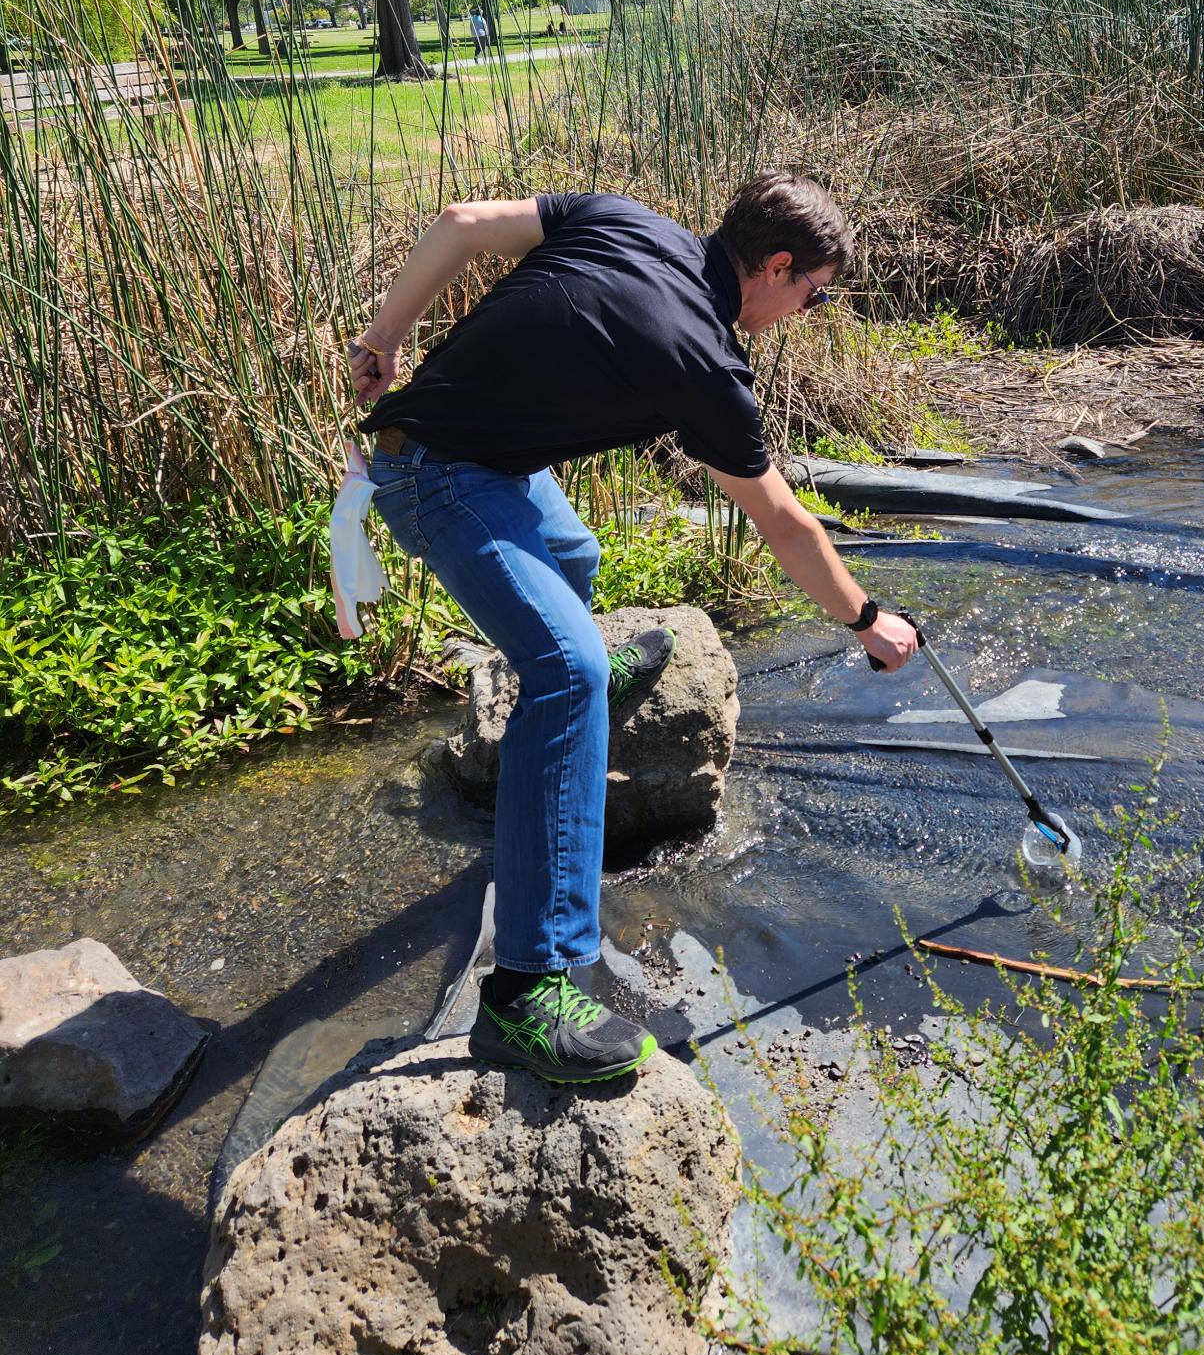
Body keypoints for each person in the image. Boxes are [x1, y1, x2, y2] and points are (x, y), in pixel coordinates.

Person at [348, 172, 919, 1084]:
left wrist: (385, 336)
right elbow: (786, 525)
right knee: (567, 675)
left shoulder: (629, 220)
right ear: (776, 267)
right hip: (438, 479)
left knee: (573, 555)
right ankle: (528, 992)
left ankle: (577, 675)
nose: (805, 312)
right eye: (813, 296)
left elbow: (458, 224)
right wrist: (866, 619)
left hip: (486, 457)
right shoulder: (703, 360)